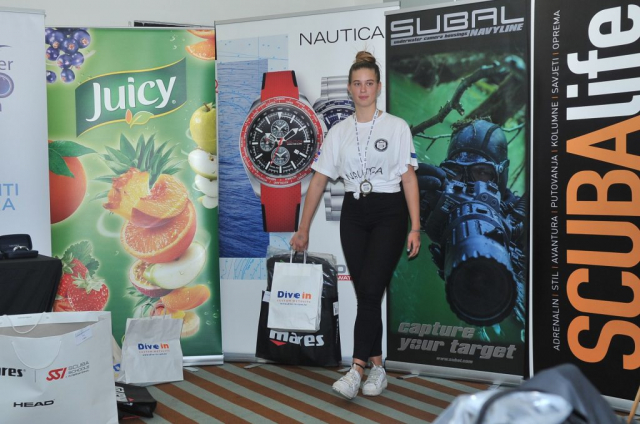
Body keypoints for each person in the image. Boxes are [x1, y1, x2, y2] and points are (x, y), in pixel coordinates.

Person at [290, 51, 421, 399]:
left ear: (378, 87)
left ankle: (356, 369)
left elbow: (409, 179)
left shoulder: (396, 127)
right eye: (357, 84)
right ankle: (378, 367)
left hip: (389, 212)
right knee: (367, 294)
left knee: (370, 291)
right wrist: (303, 228)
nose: (363, 90)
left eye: (369, 83)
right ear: (349, 88)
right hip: (353, 213)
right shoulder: (338, 132)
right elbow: (318, 182)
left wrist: (415, 226)